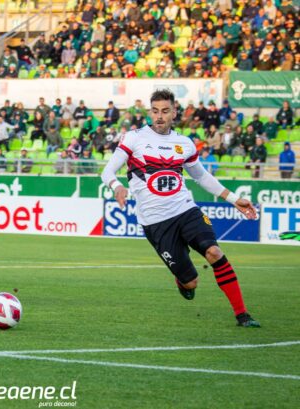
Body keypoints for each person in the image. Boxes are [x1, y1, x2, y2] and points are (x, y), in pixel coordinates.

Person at [101, 89, 260, 328]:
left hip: (186, 210)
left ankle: (242, 314)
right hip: (156, 223)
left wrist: (234, 199)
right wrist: (116, 187)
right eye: (155, 111)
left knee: (214, 253)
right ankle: (182, 281)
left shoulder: (184, 144)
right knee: (191, 282)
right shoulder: (133, 138)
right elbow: (107, 171)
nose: (159, 116)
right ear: (149, 112)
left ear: (174, 113)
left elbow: (202, 177)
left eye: (165, 111)